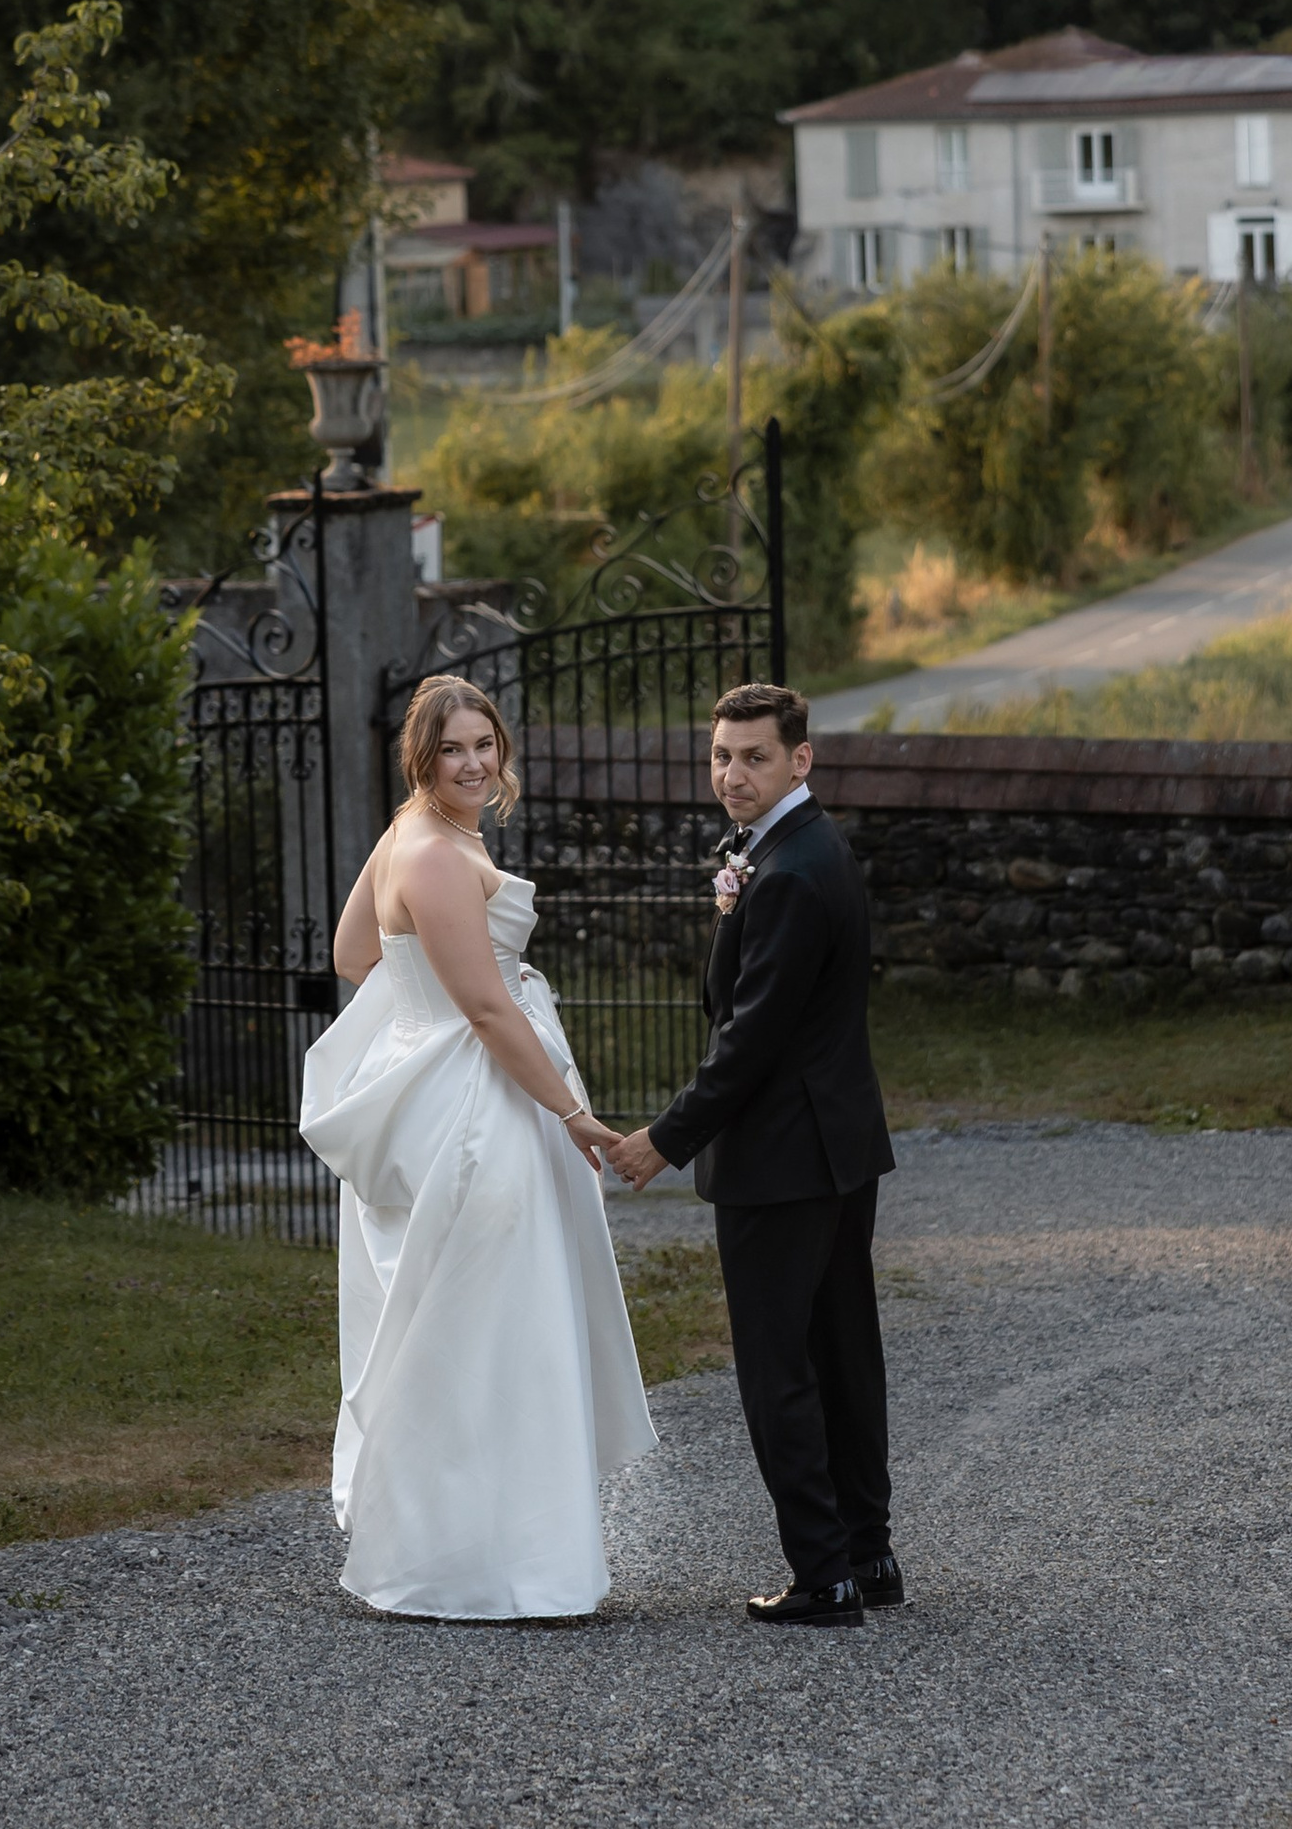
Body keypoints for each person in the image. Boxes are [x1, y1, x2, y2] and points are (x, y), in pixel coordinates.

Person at [300, 673, 653, 1619]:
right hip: (474, 1112)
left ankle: (480, 1551)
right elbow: (488, 1009)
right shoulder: (441, 856)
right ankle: (495, 1567)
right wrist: (574, 1115)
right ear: (423, 756)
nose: (471, 763)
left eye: (482, 745)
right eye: (452, 749)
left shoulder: (408, 836)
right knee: (495, 1325)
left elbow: (352, 956)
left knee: (464, 1318)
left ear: (500, 751)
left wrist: (421, 994)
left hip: (444, 1091)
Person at [601, 682, 898, 1629]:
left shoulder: (795, 871)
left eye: (755, 756)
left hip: (783, 1157)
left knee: (782, 1369)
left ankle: (824, 1576)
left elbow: (751, 1039)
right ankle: (867, 1555)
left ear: (800, 760)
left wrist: (665, 1140)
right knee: (842, 1351)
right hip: (836, 1145)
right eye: (722, 755)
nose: (733, 773)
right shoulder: (797, 849)